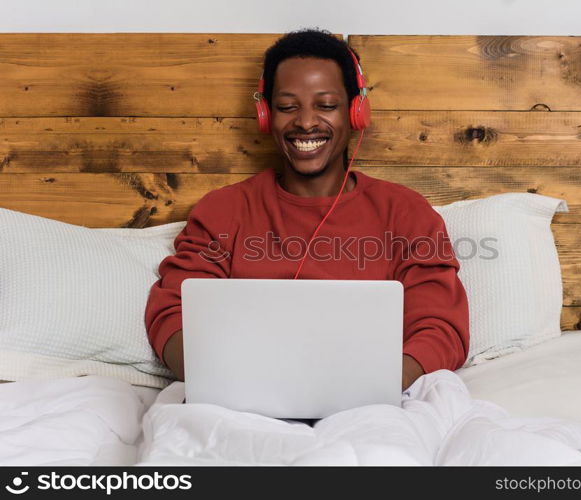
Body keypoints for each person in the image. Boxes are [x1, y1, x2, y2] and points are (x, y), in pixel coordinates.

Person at [145, 28, 469, 392]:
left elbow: (440, 326)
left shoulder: (406, 213)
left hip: (369, 399)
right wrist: (225, 378)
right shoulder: (224, 210)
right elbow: (174, 310)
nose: (306, 122)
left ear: (356, 111)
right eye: (287, 107)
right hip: (242, 397)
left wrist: (374, 385)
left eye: (326, 105)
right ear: (266, 115)